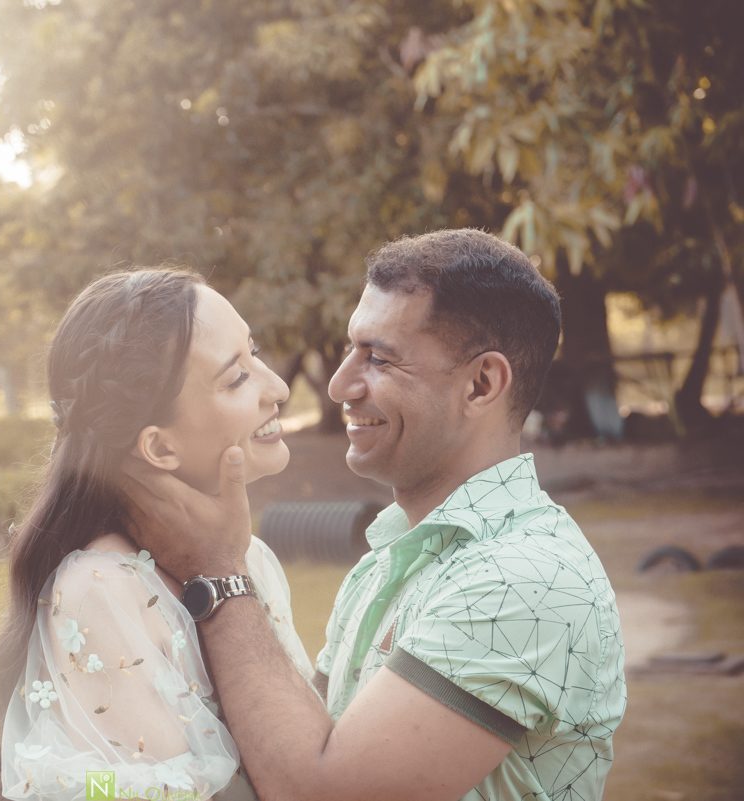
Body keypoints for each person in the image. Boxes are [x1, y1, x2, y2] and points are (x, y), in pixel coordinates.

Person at [123, 229, 627, 801]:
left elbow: (321, 791)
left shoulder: (526, 580)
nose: (339, 385)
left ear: (482, 383)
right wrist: (89, 785)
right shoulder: (390, 559)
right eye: (350, 349)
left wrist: (217, 571)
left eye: (379, 359)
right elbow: (274, 757)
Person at [0, 268, 314, 801]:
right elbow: (134, 792)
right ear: (159, 448)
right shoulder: (103, 589)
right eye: (237, 378)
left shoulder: (248, 557)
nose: (277, 388)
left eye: (255, 354)